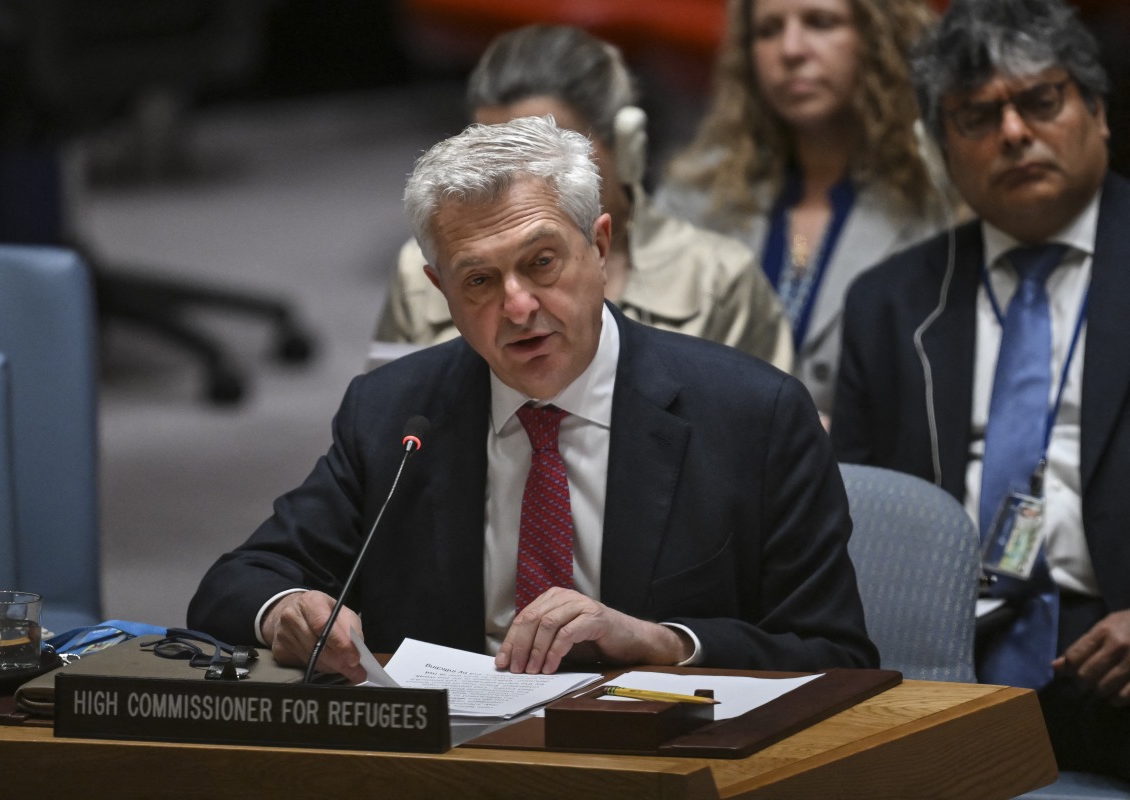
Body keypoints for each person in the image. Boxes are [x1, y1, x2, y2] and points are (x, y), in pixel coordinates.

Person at [189, 115, 876, 684]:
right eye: (480, 281)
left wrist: (661, 643)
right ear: (442, 290)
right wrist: (286, 609)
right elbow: (236, 583)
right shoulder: (396, 414)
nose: (518, 307)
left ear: (599, 247)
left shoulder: (754, 416)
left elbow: (836, 658)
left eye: (541, 263)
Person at [832, 0, 1130, 779]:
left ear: (1097, 112)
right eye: (976, 117)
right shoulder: (889, 304)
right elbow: (848, 534)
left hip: (1114, 645)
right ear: (939, 148)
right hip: (942, 660)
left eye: (1041, 102)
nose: (1014, 133)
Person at [372, 24, 794, 372]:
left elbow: (762, 448)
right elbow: (389, 437)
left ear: (626, 145)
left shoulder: (719, 278)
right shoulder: (423, 272)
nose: (515, 180)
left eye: (547, 150)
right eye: (494, 154)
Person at [658, 0, 949, 420]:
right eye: (769, 30)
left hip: (862, 475)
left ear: (876, 36)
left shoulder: (938, 201)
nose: (791, 49)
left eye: (820, 22)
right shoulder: (693, 195)